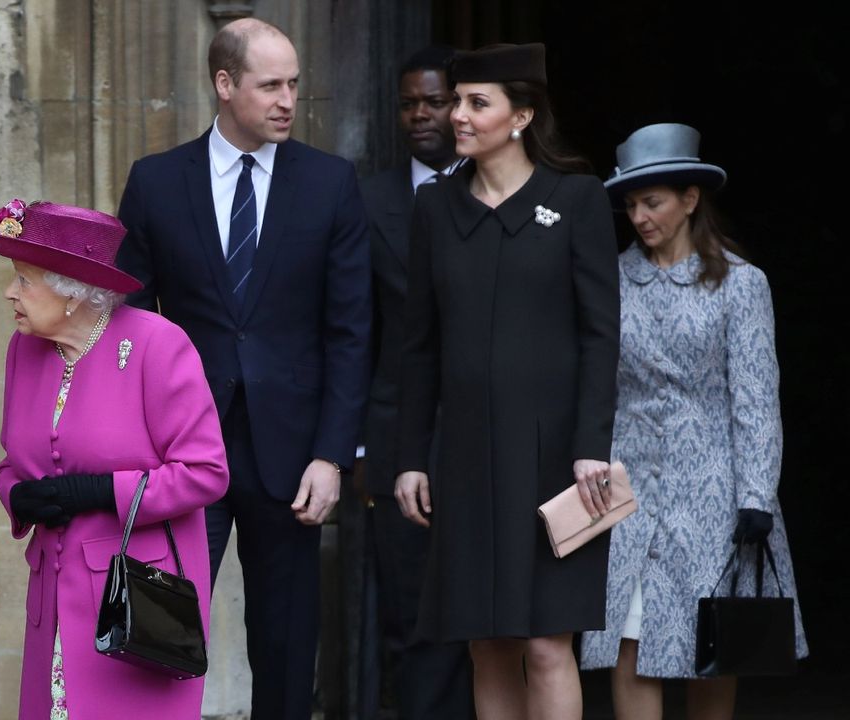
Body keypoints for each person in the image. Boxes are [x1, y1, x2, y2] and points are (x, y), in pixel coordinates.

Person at [114, 18, 371, 718]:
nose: (288, 99)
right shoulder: (157, 182)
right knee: (160, 630)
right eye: (271, 85)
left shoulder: (330, 184)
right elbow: (127, 326)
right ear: (225, 86)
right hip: (182, 452)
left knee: (287, 646)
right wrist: (138, 442)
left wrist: (332, 456)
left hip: (292, 457)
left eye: (294, 83)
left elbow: (351, 333)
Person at [393, 43, 620, 719]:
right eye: (457, 101)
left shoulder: (576, 199)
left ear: (521, 115)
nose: (455, 114)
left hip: (560, 463)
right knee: (485, 642)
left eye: (475, 102)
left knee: (548, 643)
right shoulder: (434, 209)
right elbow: (418, 347)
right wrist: (410, 458)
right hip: (462, 458)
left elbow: (600, 336)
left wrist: (591, 444)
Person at [579, 123, 808, 718]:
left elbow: (756, 399)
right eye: (630, 204)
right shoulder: (610, 282)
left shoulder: (740, 284)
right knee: (627, 640)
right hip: (627, 487)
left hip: (714, 491)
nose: (639, 216)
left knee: (711, 640)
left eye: (651, 201)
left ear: (690, 199)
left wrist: (756, 496)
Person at [0, 199, 229, 719]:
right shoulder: (24, 350)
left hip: (134, 608)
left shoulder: (155, 345)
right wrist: (19, 497)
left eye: (25, 280)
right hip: (51, 598)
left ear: (72, 293)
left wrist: (102, 492)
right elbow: (12, 465)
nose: (11, 292)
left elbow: (206, 473)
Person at [359, 46, 472, 719]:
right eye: (409, 103)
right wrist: (360, 447)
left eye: (434, 101)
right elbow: (354, 331)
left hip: (488, 433)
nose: (421, 115)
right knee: (411, 616)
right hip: (399, 435)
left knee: (495, 615)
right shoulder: (367, 198)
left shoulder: (501, 188)